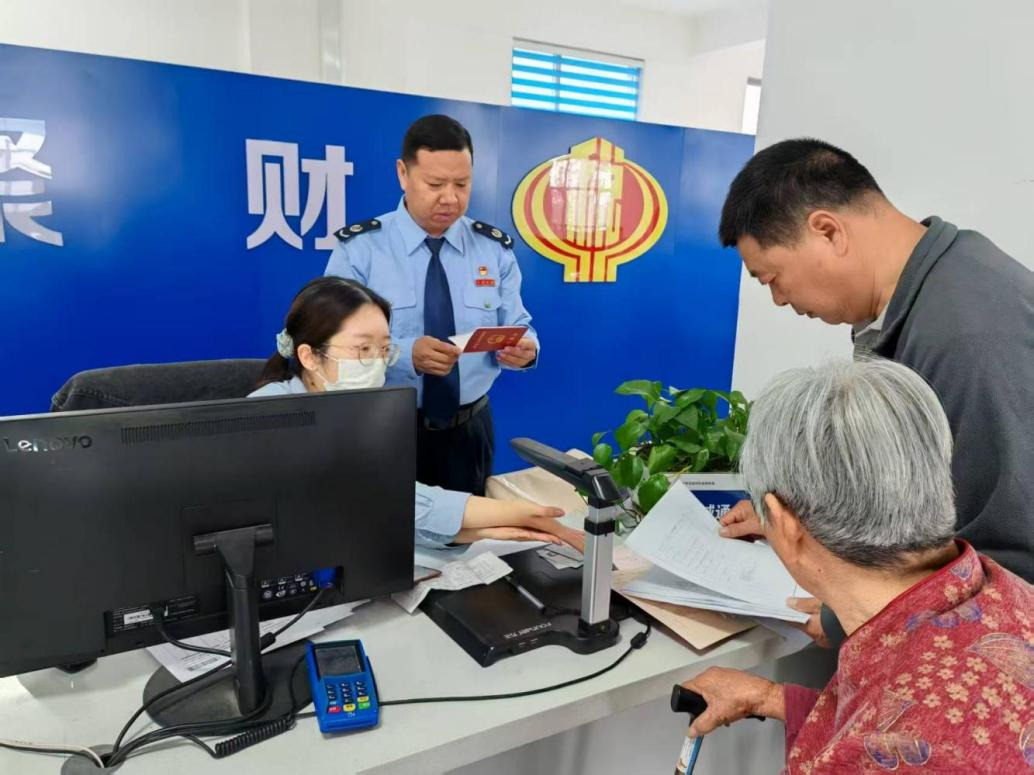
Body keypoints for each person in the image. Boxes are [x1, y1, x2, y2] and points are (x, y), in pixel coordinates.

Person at [716, 138, 1034, 643]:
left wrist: (852, 615)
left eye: (772, 278)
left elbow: (1011, 558)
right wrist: (802, 531)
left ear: (827, 231)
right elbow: (905, 497)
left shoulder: (967, 335)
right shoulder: (923, 298)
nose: (778, 299)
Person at [680, 359, 1034, 774]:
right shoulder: (1007, 593)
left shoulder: (886, 754)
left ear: (782, 521)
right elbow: (914, 725)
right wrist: (770, 697)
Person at [251, 276, 575, 550]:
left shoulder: (359, 410)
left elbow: (384, 514)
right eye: (363, 349)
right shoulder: (269, 415)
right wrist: (518, 514)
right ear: (309, 356)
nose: (377, 363)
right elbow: (386, 499)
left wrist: (474, 532)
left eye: (384, 349)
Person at [324, 114, 539, 497]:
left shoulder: (493, 249)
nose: (450, 198)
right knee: (380, 531)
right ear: (403, 174)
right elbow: (331, 346)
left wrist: (526, 350)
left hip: (469, 431)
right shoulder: (360, 250)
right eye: (435, 184)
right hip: (381, 427)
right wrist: (405, 355)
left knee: (471, 532)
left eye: (462, 184)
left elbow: (519, 324)